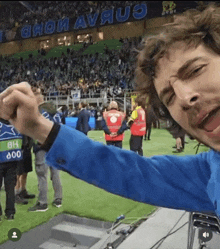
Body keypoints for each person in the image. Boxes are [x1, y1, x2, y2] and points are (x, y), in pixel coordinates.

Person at [1, 4, 220, 220]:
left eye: (195, 70)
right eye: (169, 97)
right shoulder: (209, 173)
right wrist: (38, 127)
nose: (184, 98)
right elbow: (128, 171)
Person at [28, 89, 63, 212]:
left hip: (42, 147)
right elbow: (60, 128)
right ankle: (58, 199)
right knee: (55, 173)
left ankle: (43, 203)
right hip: (55, 145)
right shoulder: (54, 111)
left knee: (42, 174)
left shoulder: (36, 112)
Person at [0, 121, 23, 220]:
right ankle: (10, 213)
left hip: (1, 160)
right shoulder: (16, 123)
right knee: (10, 188)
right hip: (13, 160)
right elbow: (24, 142)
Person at [15, 135, 35, 205]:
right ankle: (16, 194)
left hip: (27, 146)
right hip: (18, 147)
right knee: (18, 172)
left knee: (25, 170)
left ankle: (23, 191)